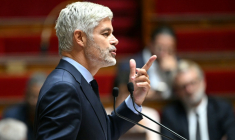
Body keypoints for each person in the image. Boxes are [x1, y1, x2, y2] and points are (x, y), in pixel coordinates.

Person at [34, 2, 156, 140]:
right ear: (80, 38)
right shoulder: (64, 87)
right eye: (106, 33)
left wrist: (134, 101)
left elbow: (106, 133)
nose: (115, 40)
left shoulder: (78, 81)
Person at [161, 59, 235, 140]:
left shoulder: (222, 108)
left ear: (203, 82)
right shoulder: (171, 115)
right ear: (177, 91)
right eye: (183, 86)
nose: (189, 90)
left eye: (193, 83)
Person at [115, 25, 178, 100]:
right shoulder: (127, 66)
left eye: (169, 49)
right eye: (160, 48)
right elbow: (121, 96)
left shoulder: (178, 64)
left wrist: (175, 72)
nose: (164, 53)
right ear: (150, 44)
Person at [3, 72, 47, 140]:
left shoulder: (59, 118)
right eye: (33, 96)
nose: (36, 102)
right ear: (26, 95)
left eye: (40, 98)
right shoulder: (12, 117)